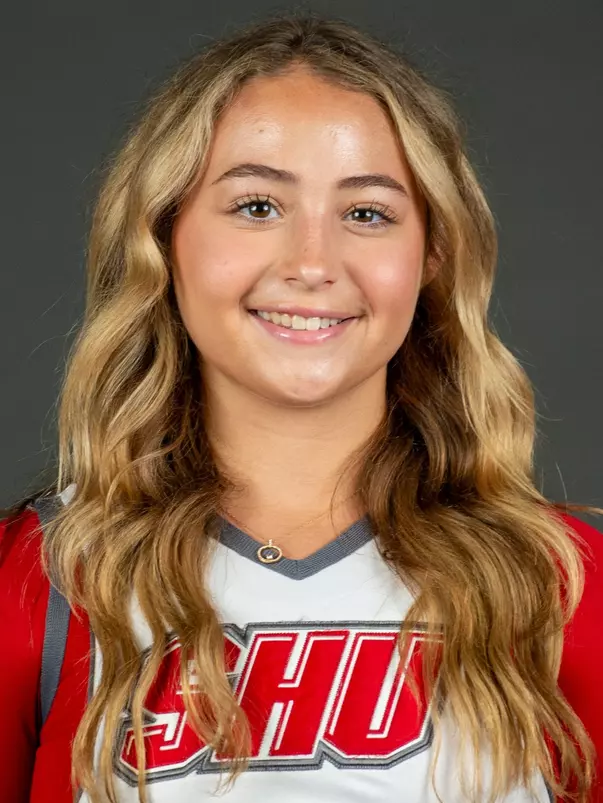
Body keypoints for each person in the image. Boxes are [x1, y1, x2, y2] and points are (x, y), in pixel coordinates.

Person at [1, 11, 601, 803]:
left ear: (431, 255)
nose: (312, 263)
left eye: (366, 213)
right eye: (256, 206)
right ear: (164, 235)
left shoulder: (567, 582)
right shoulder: (35, 584)